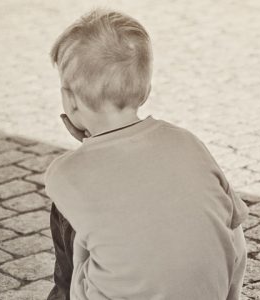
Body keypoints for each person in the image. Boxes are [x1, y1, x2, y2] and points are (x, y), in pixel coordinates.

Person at [44, 9, 248, 300]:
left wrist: (88, 147)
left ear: (70, 100)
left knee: (66, 211)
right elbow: (234, 235)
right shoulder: (186, 143)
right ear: (146, 91)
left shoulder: (65, 174)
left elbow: (105, 188)